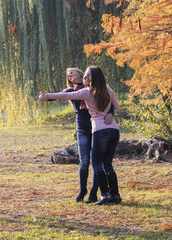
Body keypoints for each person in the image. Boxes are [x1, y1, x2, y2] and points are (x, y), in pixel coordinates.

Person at [40, 66, 121, 205]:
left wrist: (47, 96)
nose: (84, 79)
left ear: (91, 79)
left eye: (86, 77)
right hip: (114, 130)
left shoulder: (87, 92)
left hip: (99, 131)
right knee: (107, 163)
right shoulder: (108, 89)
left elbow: (67, 95)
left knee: (96, 163)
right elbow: (116, 105)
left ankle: (106, 195)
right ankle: (116, 195)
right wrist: (110, 113)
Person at [62, 68, 114, 203]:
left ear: (80, 74)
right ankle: (82, 190)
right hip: (83, 129)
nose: (70, 75)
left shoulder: (94, 89)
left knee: (96, 162)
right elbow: (60, 95)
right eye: (68, 74)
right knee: (84, 162)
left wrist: (111, 112)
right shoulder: (71, 91)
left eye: (72, 72)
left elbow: (109, 100)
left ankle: (93, 192)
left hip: (97, 128)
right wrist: (46, 97)